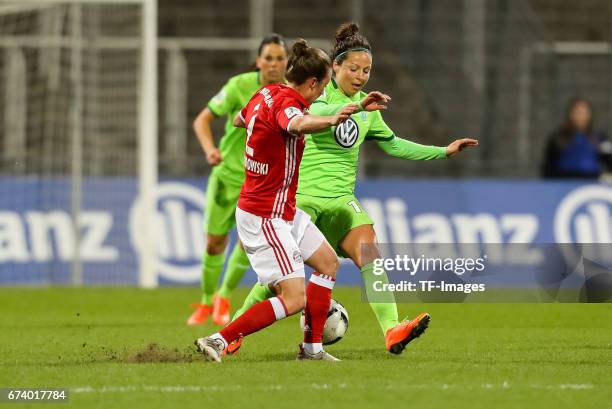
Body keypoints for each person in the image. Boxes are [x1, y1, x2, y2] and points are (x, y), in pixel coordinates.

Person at [229, 22, 478, 355]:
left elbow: (396, 145)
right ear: (335, 67)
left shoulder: (368, 109)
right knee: (277, 280)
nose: (360, 76)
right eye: (354, 68)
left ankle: (392, 330)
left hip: (341, 200)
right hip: (300, 199)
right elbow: (313, 113)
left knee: (369, 249)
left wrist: (443, 150)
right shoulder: (315, 94)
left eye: (367, 70)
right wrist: (353, 108)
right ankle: (234, 330)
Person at [194, 39, 390, 363]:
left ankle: (312, 349)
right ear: (312, 83)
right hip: (265, 216)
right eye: (324, 85)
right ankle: (218, 339)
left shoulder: (264, 93)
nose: (322, 93)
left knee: (328, 262)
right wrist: (333, 118)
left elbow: (238, 121)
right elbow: (297, 122)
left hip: (283, 210)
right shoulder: (289, 105)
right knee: (295, 297)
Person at [187, 34, 289, 326]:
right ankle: (206, 303)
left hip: (260, 183)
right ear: (258, 61)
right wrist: (210, 150)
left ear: (287, 62)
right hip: (227, 177)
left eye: (279, 58)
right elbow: (202, 119)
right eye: (268, 58)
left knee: (248, 244)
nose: (273, 64)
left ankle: (224, 296)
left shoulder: (289, 93)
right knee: (215, 243)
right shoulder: (239, 86)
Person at [541, 97, 611, 179]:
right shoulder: (558, 138)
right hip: (563, 183)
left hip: (592, 183)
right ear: (570, 114)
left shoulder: (599, 137)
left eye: (584, 113)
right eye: (577, 113)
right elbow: (548, 166)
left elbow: (608, 160)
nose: (580, 117)